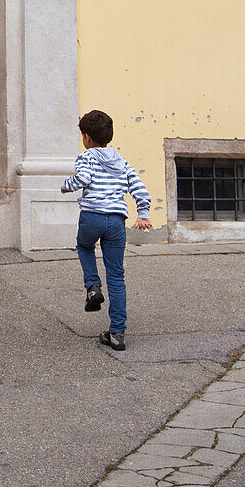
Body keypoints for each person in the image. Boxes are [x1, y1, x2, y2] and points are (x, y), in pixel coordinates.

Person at [61, 109, 152, 352]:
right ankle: (117, 333)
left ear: (87, 137)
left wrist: (65, 187)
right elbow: (140, 188)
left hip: (91, 217)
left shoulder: (87, 157)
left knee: (84, 246)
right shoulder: (122, 161)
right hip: (115, 221)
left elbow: (82, 179)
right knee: (117, 276)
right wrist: (143, 214)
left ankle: (92, 286)